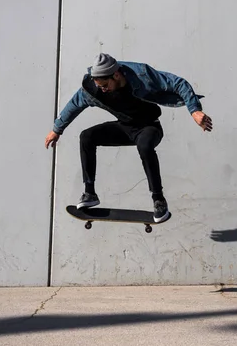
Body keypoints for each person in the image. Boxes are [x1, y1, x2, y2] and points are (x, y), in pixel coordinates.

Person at [45, 53, 212, 222]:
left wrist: (194, 110)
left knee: (144, 146)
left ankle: (159, 200)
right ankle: (89, 193)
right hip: (125, 127)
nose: (103, 89)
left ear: (116, 75)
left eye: (105, 85)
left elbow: (178, 83)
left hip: (149, 127)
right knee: (87, 136)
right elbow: (74, 105)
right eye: (100, 86)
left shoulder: (141, 74)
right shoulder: (93, 89)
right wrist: (57, 130)